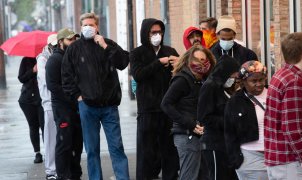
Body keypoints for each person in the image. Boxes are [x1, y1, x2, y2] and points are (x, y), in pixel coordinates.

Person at [61, 13, 130, 180]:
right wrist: (77, 96)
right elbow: (66, 75)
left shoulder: (108, 44)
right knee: (92, 149)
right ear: (80, 27)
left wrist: (105, 46)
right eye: (84, 25)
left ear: (97, 26)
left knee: (116, 147)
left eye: (91, 25)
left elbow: (123, 62)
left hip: (109, 106)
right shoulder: (74, 49)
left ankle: (123, 177)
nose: (88, 28)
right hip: (87, 106)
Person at [129, 18, 180, 180]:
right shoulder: (137, 53)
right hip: (148, 109)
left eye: (159, 32)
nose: (157, 35)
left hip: (168, 109)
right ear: (146, 33)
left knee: (169, 151)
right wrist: (158, 63)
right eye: (153, 32)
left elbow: (181, 73)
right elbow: (138, 74)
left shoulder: (169, 50)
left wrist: (177, 64)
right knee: (147, 152)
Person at [161, 45, 216, 180]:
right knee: (189, 175)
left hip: (201, 136)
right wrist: (190, 124)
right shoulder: (182, 80)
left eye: (203, 60)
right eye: (197, 59)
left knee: (204, 174)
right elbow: (166, 104)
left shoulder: (204, 80)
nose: (200, 63)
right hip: (187, 135)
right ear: (189, 60)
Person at [264, 32, 302, 180]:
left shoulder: (280, 75)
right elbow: (291, 128)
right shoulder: (294, 82)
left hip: (278, 158)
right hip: (289, 162)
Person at [46, 28, 83, 180]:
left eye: (75, 39)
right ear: (61, 42)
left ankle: (75, 174)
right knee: (64, 143)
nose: (73, 42)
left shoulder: (72, 57)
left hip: (75, 108)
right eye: (70, 40)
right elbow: (53, 86)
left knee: (77, 143)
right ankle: (63, 175)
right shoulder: (54, 60)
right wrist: (73, 96)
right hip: (63, 109)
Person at [197, 54, 240, 180]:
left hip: (226, 143)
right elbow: (204, 116)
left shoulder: (224, 88)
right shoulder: (210, 86)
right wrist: (228, 122)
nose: (234, 79)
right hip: (214, 144)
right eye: (232, 76)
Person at [224, 60, 268, 180]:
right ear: (244, 82)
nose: (258, 84)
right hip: (249, 158)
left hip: (275, 156)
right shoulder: (235, 101)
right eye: (253, 81)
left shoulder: (273, 95)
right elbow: (229, 132)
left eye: (261, 80)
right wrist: (236, 161)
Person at [36, 34, 58, 179]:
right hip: (49, 103)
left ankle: (59, 167)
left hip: (59, 102)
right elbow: (47, 80)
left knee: (61, 138)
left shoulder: (55, 57)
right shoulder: (43, 59)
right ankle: (51, 170)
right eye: (54, 45)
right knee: (50, 138)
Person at [18, 56, 44, 164]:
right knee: (33, 126)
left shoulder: (45, 58)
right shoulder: (26, 60)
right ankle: (37, 153)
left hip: (42, 98)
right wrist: (33, 71)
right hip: (27, 99)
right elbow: (21, 78)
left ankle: (50, 151)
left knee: (45, 125)